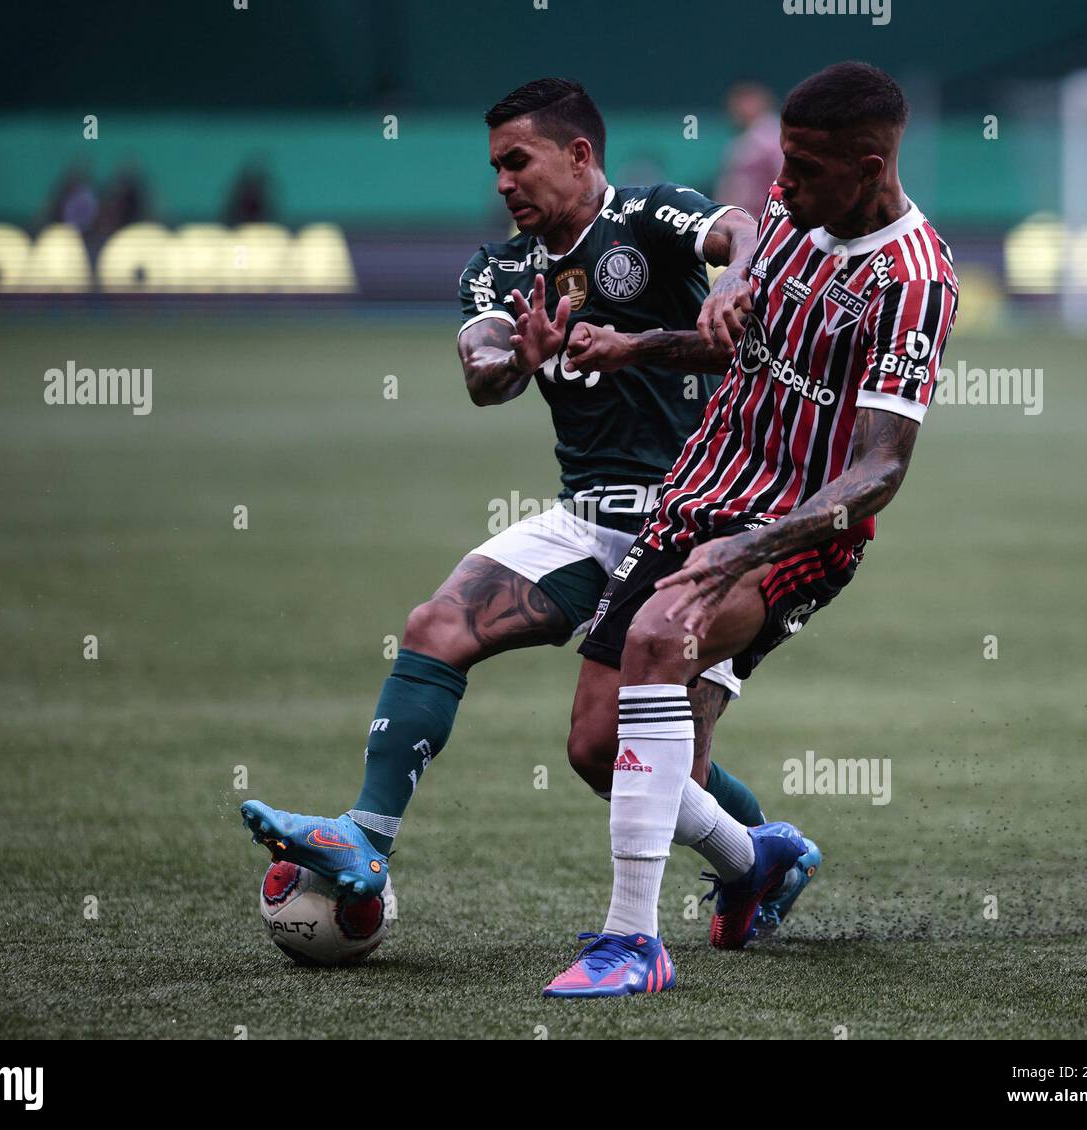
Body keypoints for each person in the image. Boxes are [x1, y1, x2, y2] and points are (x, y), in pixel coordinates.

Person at [239, 78, 773, 903]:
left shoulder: (648, 216)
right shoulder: (499, 269)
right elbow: (483, 372)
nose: (503, 183)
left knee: (615, 757)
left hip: (700, 527)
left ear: (579, 154)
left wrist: (736, 279)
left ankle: (759, 858)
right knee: (435, 625)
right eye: (495, 167)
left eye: (517, 162)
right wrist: (517, 360)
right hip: (589, 521)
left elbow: (738, 227)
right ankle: (365, 841)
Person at [543, 61, 960, 998]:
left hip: (797, 533)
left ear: (869, 165)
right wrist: (632, 345)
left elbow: (880, 469)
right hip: (695, 494)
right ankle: (755, 861)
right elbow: (741, 336)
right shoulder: (789, 216)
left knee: (658, 639)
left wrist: (751, 547)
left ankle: (633, 944)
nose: (782, 185)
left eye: (805, 169)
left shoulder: (915, 281)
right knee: (593, 750)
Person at [715, 82, 784, 219]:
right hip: (744, 222)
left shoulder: (771, 136)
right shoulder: (743, 139)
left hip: (763, 222)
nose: (735, 108)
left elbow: (783, 180)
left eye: (745, 101)